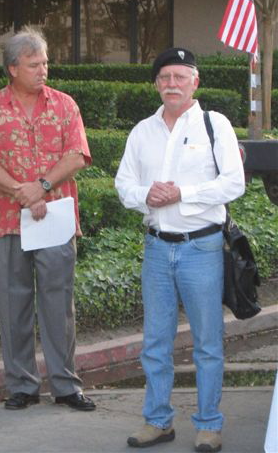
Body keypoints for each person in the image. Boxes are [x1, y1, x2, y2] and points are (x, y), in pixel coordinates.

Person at [115, 47, 245, 452]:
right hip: (156, 250)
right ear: (156, 83)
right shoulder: (142, 131)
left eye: (180, 77)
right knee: (155, 342)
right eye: (165, 77)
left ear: (195, 82)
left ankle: (208, 424)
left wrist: (181, 193)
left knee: (207, 342)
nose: (172, 84)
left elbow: (233, 183)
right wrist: (145, 196)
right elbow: (123, 185)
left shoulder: (214, 125)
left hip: (201, 248)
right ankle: (158, 421)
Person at [0, 27, 95, 412]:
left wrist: (39, 186)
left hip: (54, 218)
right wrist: (21, 193)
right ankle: (21, 385)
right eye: (34, 64)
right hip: (8, 220)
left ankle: (66, 385)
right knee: (13, 302)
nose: (43, 70)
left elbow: (77, 156)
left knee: (59, 303)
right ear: (12, 68)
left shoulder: (65, 105)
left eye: (46, 63)